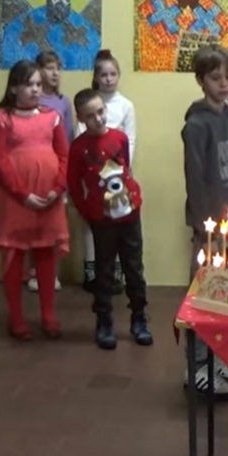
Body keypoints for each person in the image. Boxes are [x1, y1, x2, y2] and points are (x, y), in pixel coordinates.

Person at [181, 44, 228, 400]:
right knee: (205, 296)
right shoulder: (196, 126)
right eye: (215, 78)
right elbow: (195, 180)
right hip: (211, 229)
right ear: (201, 80)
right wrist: (204, 228)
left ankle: (220, 358)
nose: (224, 84)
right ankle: (197, 368)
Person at [0, 60, 69, 340]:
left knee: (45, 255)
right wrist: (23, 194)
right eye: (29, 84)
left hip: (48, 198)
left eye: (38, 84)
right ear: (13, 88)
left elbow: (63, 155)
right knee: (14, 256)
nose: (36, 89)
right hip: (15, 199)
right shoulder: (1, 119)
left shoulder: (52, 116)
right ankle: (16, 318)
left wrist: (57, 188)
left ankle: (48, 316)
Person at [67, 88, 152, 350]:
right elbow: (74, 184)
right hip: (101, 220)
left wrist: (132, 201)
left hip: (129, 214)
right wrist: (87, 211)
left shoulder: (119, 138)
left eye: (101, 112)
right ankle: (104, 322)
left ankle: (139, 319)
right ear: (81, 119)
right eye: (90, 116)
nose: (98, 119)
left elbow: (125, 170)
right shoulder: (78, 148)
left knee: (134, 269)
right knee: (104, 271)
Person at [76, 50, 136, 293]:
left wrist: (121, 171)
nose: (109, 79)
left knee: (118, 219)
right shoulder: (89, 103)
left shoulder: (126, 105)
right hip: (92, 174)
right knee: (93, 223)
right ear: (96, 77)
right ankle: (92, 271)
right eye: (104, 75)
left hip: (117, 175)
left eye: (113, 74)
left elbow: (130, 140)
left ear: (118, 75)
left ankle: (116, 273)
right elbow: (80, 136)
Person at [23, 50, 71, 293]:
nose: (55, 73)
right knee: (33, 224)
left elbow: (68, 140)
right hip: (34, 171)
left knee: (54, 225)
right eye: (50, 68)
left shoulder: (63, 103)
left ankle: (51, 272)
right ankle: (34, 271)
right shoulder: (31, 102)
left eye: (58, 68)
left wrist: (65, 176)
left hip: (56, 172)